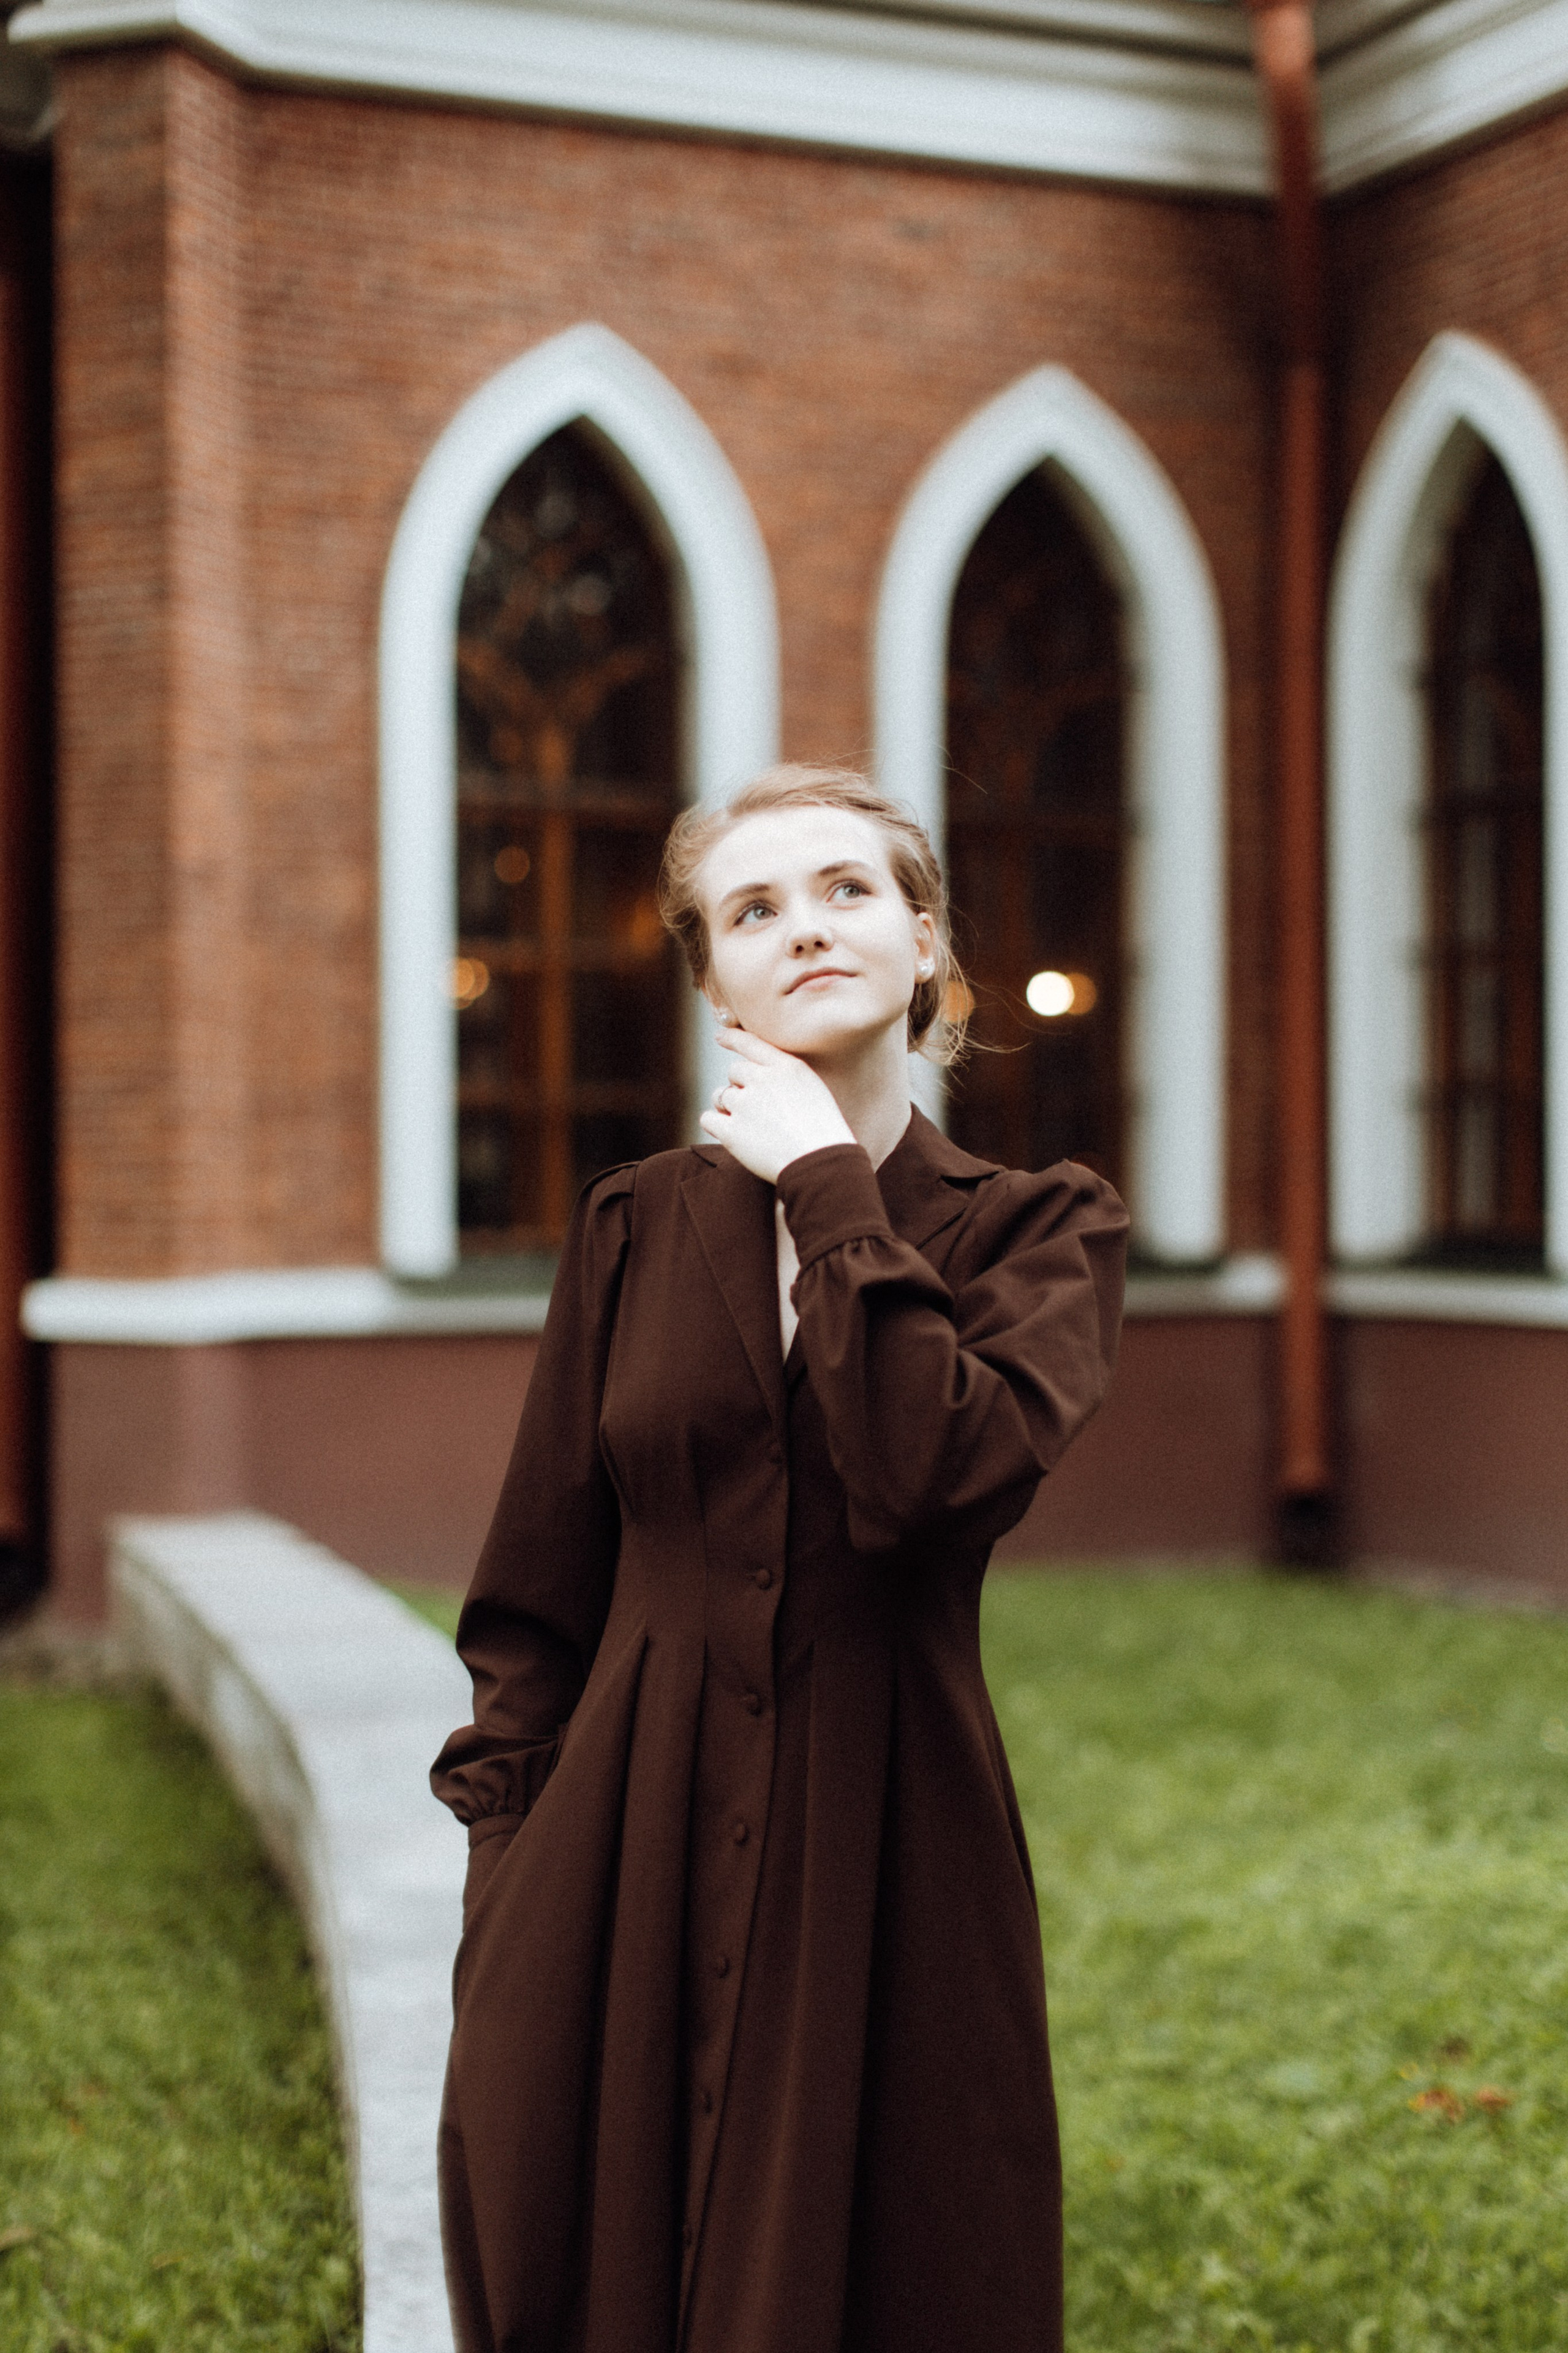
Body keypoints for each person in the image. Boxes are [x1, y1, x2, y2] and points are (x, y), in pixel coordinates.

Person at [430, 763, 1128, 2353]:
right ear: (714, 986)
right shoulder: (630, 1226)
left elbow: (927, 1477)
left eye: (845, 890)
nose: (804, 928)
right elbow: (535, 1595)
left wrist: (827, 1187)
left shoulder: (1042, 1233)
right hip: (613, 1844)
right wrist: (507, 1885)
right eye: (753, 910)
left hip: (893, 1846)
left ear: (926, 940)